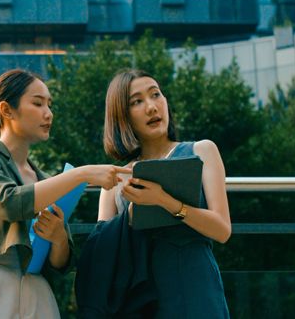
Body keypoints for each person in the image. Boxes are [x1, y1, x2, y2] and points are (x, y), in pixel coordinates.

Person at [0, 69, 129, 319]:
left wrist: (58, 238)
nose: (48, 113)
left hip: (36, 289)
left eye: (50, 105)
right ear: (7, 110)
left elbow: (62, 263)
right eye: (38, 103)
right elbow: (8, 202)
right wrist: (81, 174)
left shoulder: (44, 180)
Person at [98, 69, 231, 318]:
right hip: (139, 298)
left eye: (156, 95)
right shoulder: (116, 178)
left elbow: (222, 229)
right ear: (122, 116)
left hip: (196, 289)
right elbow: (102, 252)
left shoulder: (202, 151)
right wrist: (130, 216)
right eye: (137, 101)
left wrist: (163, 200)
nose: (151, 107)